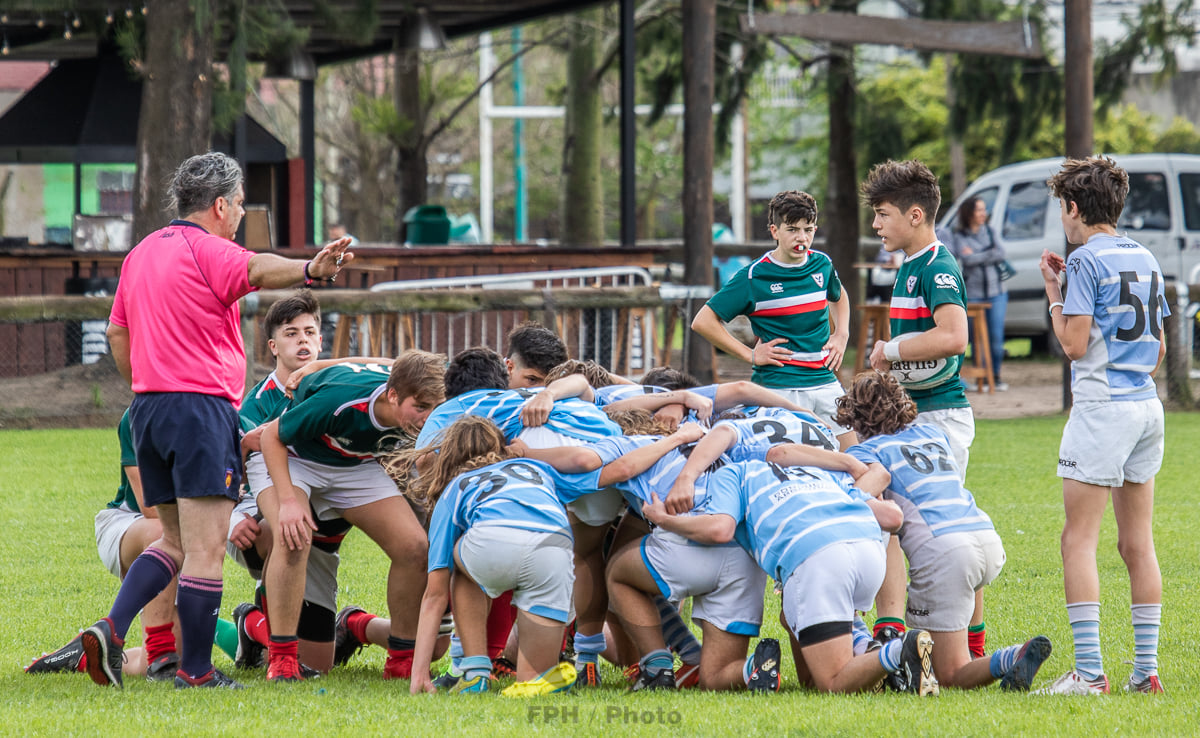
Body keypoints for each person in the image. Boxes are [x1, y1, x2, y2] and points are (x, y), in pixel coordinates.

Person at [80, 151, 350, 690]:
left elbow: (116, 333)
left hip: (149, 410)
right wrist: (308, 269)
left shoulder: (139, 255)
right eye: (242, 205)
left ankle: (111, 627)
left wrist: (148, 383)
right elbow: (254, 268)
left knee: (174, 542)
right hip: (200, 411)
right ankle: (197, 671)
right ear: (221, 204)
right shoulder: (208, 250)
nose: (241, 215)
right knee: (205, 551)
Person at [1034, 156, 1167, 696]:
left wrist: (1053, 293)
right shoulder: (1147, 257)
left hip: (1102, 408)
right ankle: (1146, 671)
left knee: (1078, 541)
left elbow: (1073, 343)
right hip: (1146, 408)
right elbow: (1155, 351)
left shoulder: (1086, 260)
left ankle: (1089, 674)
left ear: (1072, 208)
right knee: (1138, 543)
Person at [835, 372, 1052, 691]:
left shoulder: (867, 453)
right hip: (984, 536)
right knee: (964, 575)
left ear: (855, 420)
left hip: (946, 553)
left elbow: (867, 501)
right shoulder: (932, 434)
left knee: (949, 674)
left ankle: (1010, 658)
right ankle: (974, 645)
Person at [256, 350, 445, 682]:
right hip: (294, 456)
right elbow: (272, 437)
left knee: (416, 549)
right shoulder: (342, 399)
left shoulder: (409, 390)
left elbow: (389, 362)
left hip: (355, 464)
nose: (428, 417)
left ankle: (401, 659)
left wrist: (317, 364)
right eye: (420, 407)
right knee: (294, 537)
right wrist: (288, 502)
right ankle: (282, 659)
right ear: (392, 394)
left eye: (435, 408)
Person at [27, 410, 240, 680]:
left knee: (159, 662)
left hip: (183, 538)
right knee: (164, 531)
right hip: (128, 523)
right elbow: (149, 506)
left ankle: (85, 654)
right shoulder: (143, 414)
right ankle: (160, 656)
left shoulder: (218, 411)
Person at [862, 159, 973, 644]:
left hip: (941, 416)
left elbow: (953, 337)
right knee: (892, 514)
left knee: (945, 526)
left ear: (913, 216)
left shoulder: (938, 266)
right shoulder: (908, 265)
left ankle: (969, 645)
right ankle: (893, 632)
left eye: (883, 213)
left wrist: (890, 350)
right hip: (911, 416)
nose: (875, 224)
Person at [691, 190, 856, 449]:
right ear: (774, 231)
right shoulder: (753, 276)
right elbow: (703, 321)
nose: (802, 237)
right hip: (778, 387)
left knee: (855, 456)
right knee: (790, 462)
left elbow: (839, 296)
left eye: (808, 229)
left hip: (825, 382)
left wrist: (842, 333)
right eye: (792, 229)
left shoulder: (822, 264)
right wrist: (750, 355)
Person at [941, 196, 1009, 391]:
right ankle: (979, 378)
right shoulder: (959, 235)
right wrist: (987, 253)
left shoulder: (990, 231)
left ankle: (994, 377)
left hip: (997, 291)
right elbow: (966, 260)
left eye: (983, 210)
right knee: (974, 338)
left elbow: (1000, 253)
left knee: (996, 337)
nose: (983, 214)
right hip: (973, 293)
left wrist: (977, 254)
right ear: (969, 212)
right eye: (979, 210)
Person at [505, 321, 569, 389]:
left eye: (550, 383)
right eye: (532, 380)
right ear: (510, 368)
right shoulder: (492, 386)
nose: (542, 391)